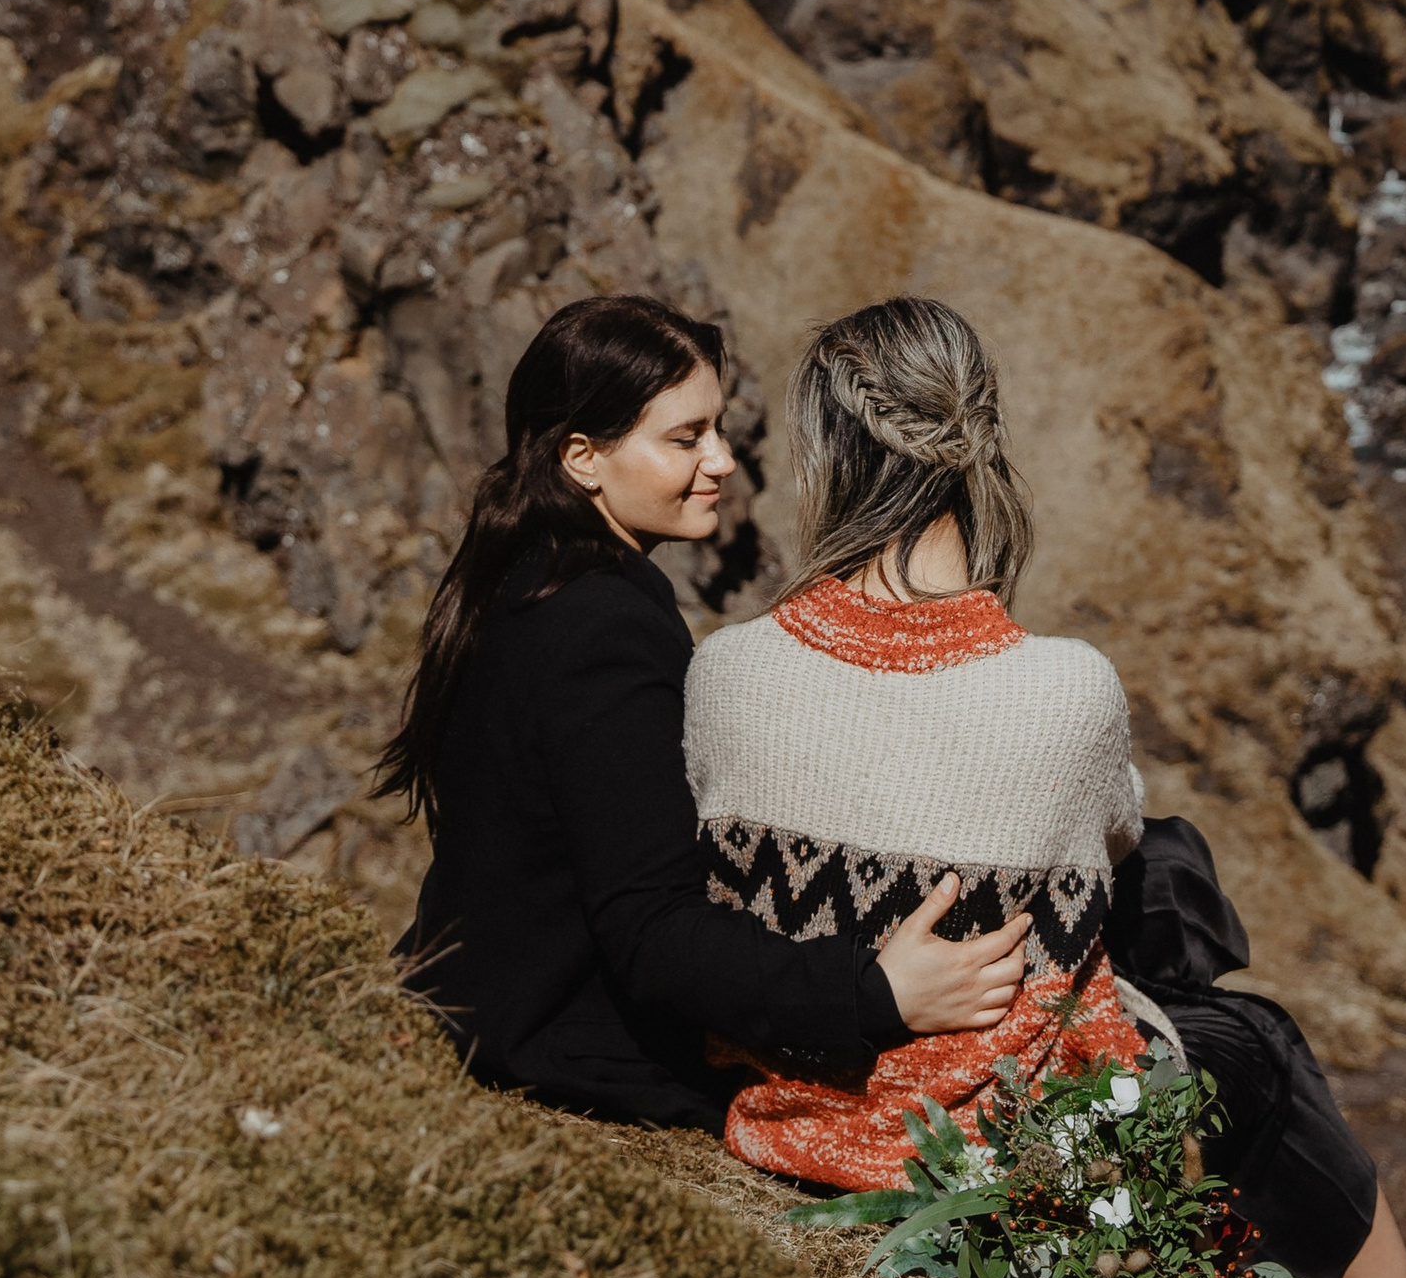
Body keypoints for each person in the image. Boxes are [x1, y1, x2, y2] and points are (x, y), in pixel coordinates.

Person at [682, 293, 1406, 1278]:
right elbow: (1120, 833)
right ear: (977, 443)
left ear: (826, 452)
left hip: (789, 1121)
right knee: (1253, 1033)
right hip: (996, 1163)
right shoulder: (1065, 688)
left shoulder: (723, 668)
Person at [381, 294, 1032, 1128]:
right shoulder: (600, 625)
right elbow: (650, 927)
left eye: (718, 429)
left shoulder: (520, 575)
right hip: (560, 1050)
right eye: (685, 439)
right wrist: (874, 991)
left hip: (486, 1006)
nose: (722, 459)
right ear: (583, 456)